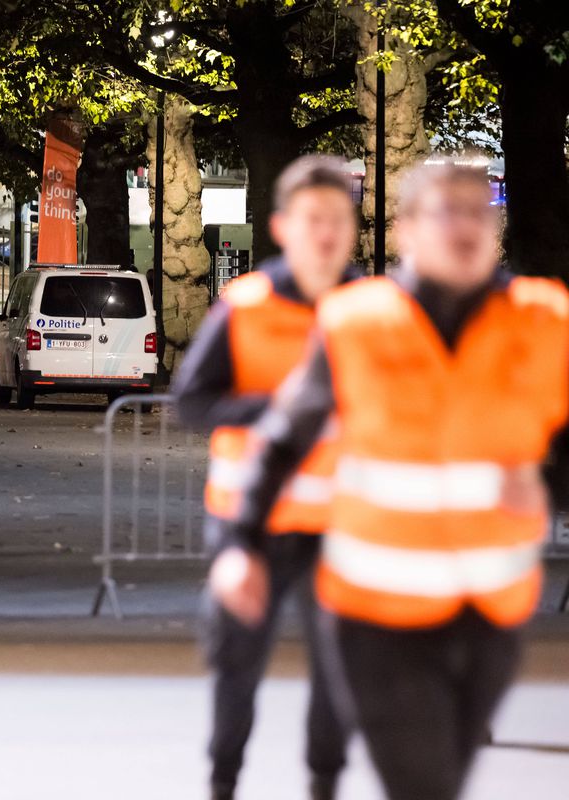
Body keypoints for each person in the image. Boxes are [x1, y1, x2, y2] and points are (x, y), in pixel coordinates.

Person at [219, 160, 568, 800]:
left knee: (445, 776)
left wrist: (546, 484)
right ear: (406, 230)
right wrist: (242, 544)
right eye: (447, 211)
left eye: (480, 211)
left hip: (493, 609)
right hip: (377, 608)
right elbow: (283, 440)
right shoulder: (357, 322)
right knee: (423, 784)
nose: (466, 224)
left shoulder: (544, 320)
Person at [172, 155, 359, 800]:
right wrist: (279, 408)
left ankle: (324, 783)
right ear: (283, 227)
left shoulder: (374, 310)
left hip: (342, 522)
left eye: (338, 220)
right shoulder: (246, 306)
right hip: (248, 523)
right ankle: (224, 783)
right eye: (313, 220)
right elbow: (191, 402)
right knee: (236, 663)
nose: (326, 234)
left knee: (340, 670)